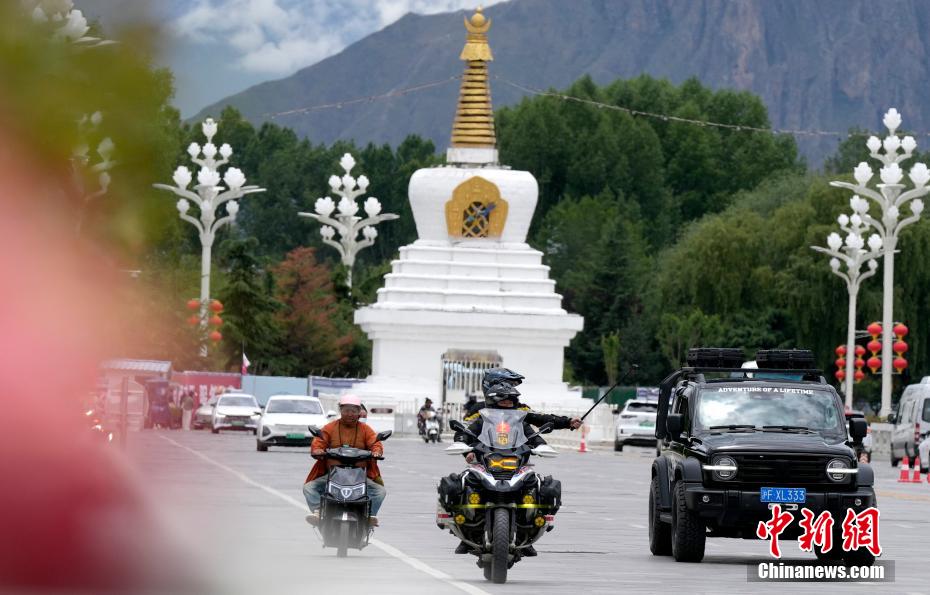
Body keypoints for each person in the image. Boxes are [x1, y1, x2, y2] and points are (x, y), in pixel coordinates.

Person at [452, 368, 581, 556]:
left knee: (538, 486)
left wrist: (567, 423)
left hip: (516, 460)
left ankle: (529, 530)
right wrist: (467, 451)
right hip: (485, 460)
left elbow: (540, 420)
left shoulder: (519, 411)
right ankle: (465, 533)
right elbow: (465, 431)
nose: (510, 392)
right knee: (464, 484)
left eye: (512, 387)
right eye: (507, 385)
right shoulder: (480, 411)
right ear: (492, 387)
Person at [303, 394, 386, 527]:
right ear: (340, 410)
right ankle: (318, 512)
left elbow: (375, 442)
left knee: (380, 491)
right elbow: (319, 440)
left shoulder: (366, 429)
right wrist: (317, 450)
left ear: (359, 412)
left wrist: (377, 451)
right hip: (333, 474)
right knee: (309, 488)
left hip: (359, 475)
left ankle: (369, 515)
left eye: (353, 411)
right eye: (346, 410)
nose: (350, 414)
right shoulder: (330, 427)